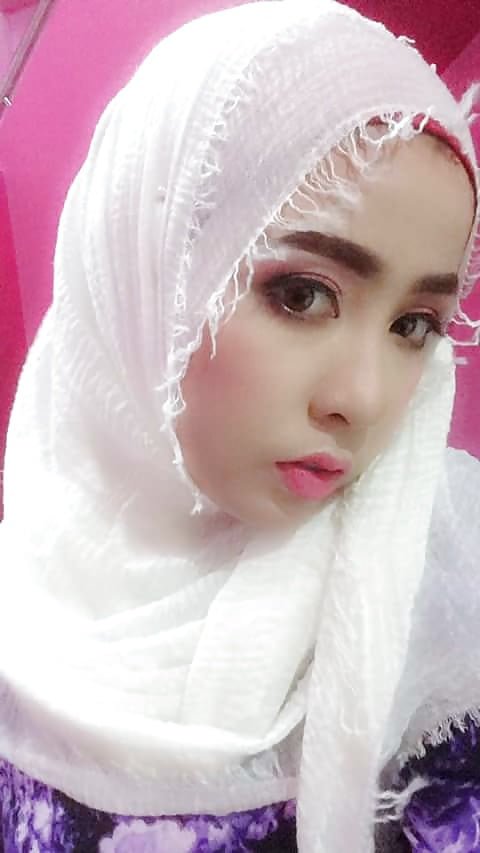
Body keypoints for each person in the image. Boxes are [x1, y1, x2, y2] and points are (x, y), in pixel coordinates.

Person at [0, 1, 479, 851]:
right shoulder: (24, 593)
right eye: (302, 294)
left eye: (414, 325)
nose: (364, 399)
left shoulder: (447, 578)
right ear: (145, 271)